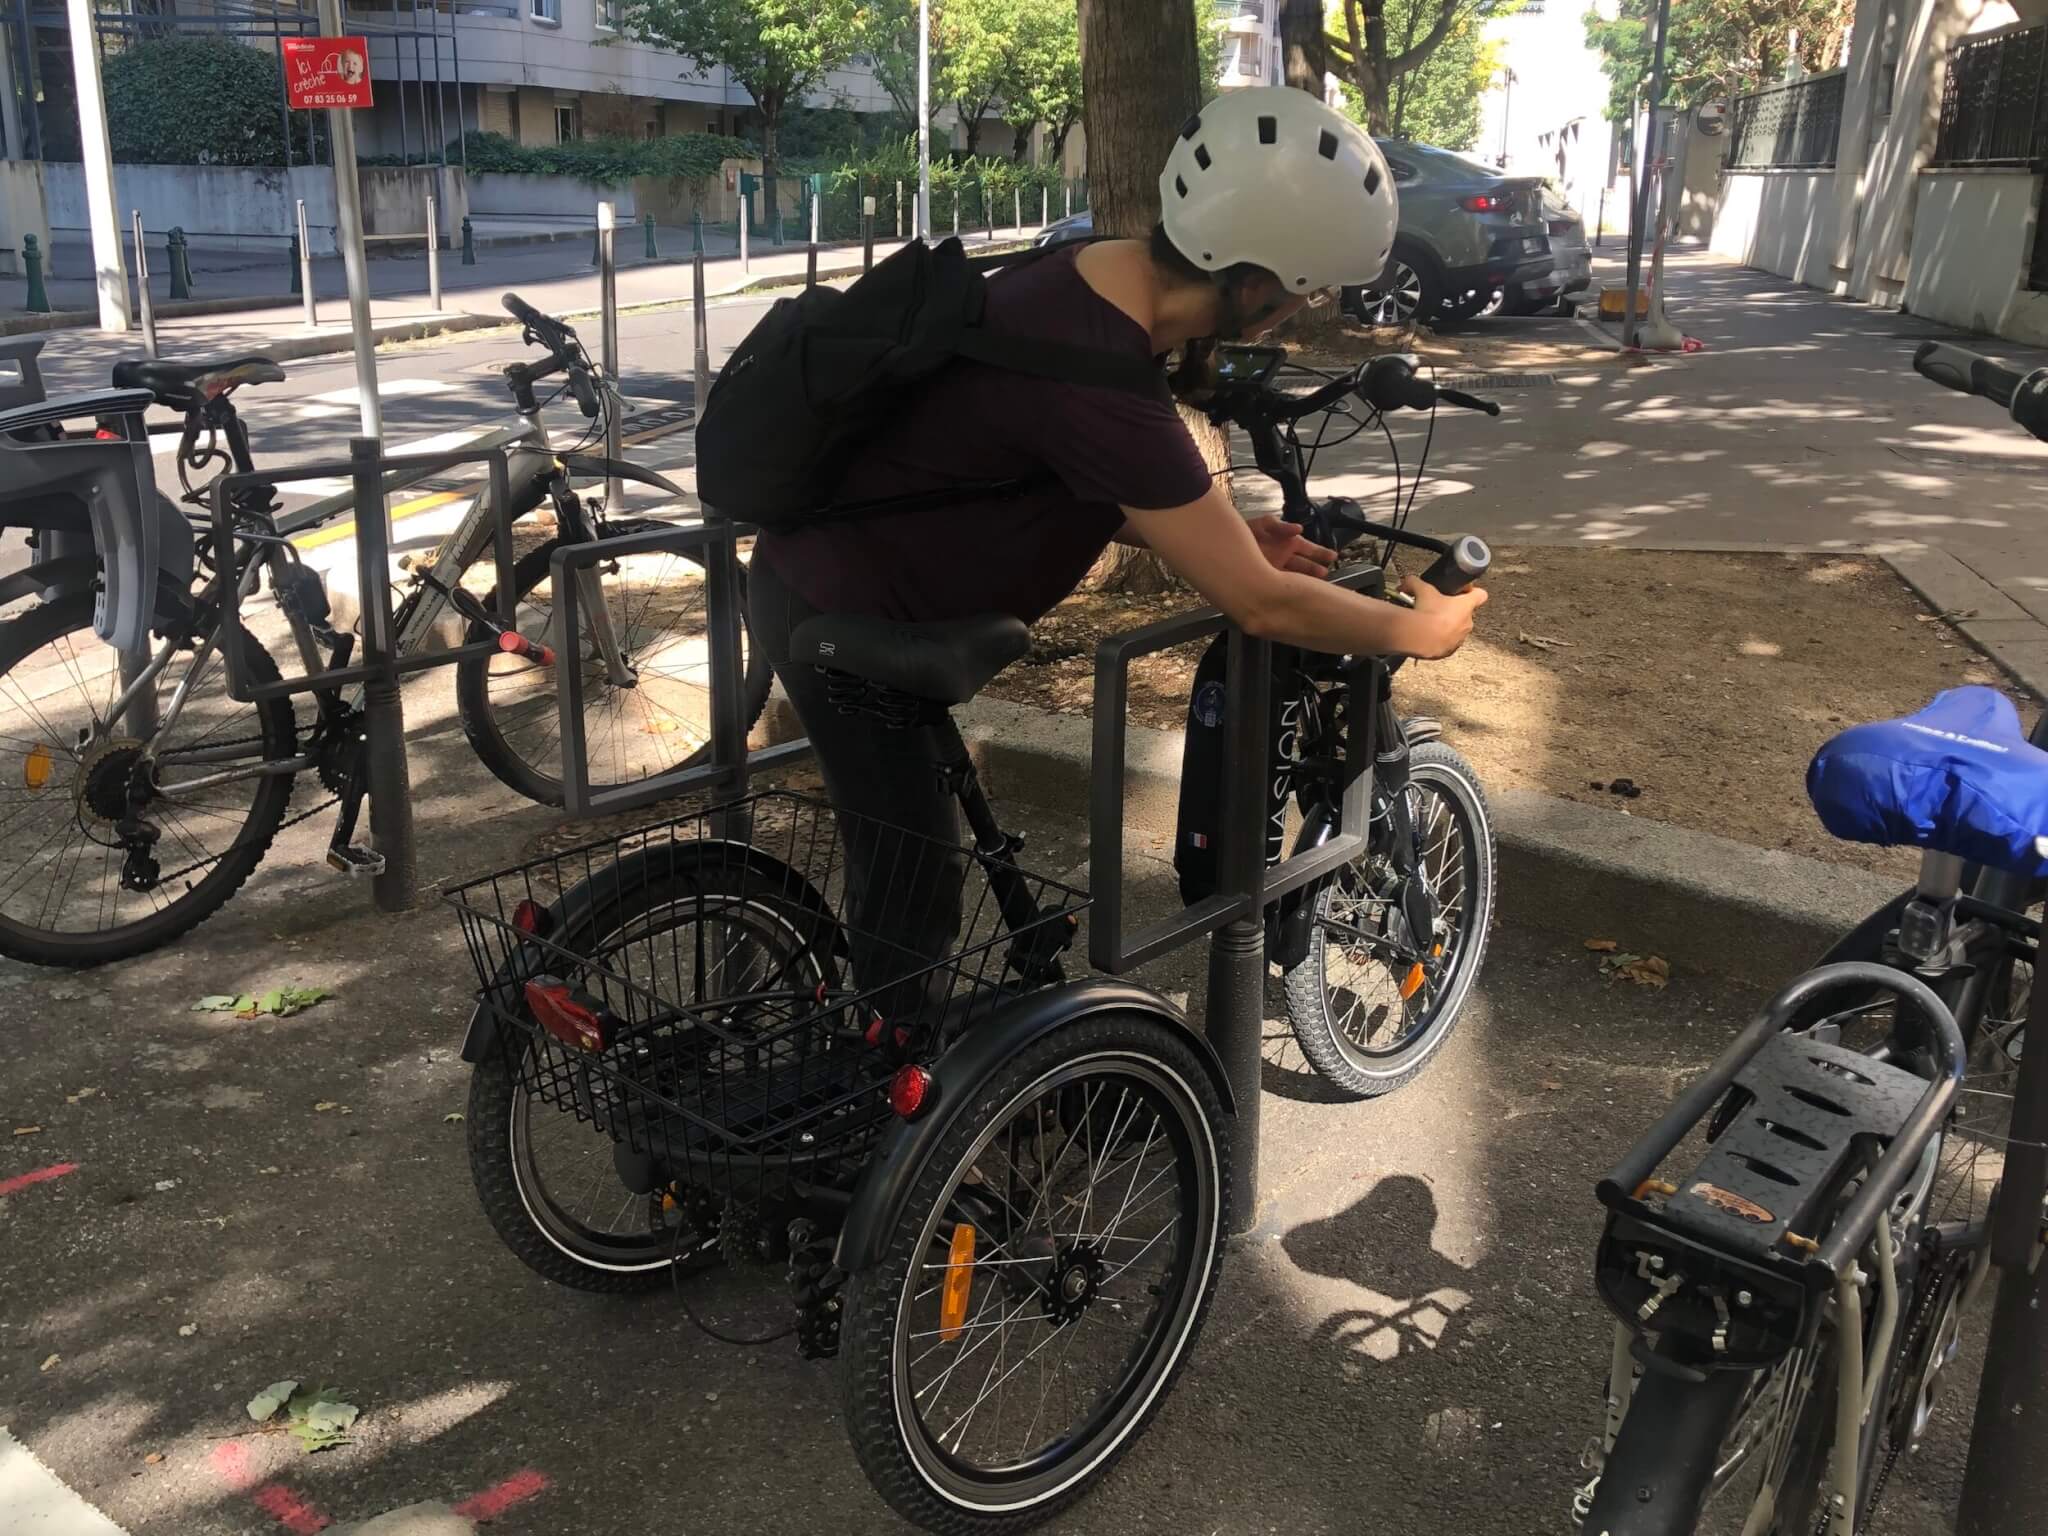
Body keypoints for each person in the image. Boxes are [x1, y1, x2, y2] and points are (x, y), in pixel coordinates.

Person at [748, 87, 1488, 1010]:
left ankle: (884, 1077)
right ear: (1253, 283)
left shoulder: (1091, 272)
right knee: (913, 897)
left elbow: (1048, 463)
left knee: (905, 867)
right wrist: (1422, 631)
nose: (1297, 312)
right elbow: (1260, 604)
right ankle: (874, 1130)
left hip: (828, 578)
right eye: (1302, 291)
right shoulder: (1101, 369)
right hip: (847, 619)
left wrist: (1213, 530)